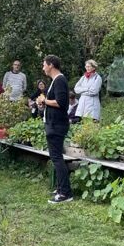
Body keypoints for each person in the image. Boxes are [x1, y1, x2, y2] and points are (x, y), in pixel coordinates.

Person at [37, 55, 73, 205]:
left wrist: (44, 100)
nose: (43, 67)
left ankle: (65, 193)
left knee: (57, 158)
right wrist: (43, 105)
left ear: (51, 65)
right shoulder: (55, 81)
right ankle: (61, 188)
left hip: (57, 125)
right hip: (53, 123)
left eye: (44, 65)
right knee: (56, 157)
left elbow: (61, 103)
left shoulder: (59, 80)